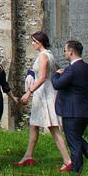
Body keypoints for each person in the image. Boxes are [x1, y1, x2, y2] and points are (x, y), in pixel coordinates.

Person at [13, 31, 70, 168]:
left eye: (34, 41)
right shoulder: (47, 55)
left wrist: (29, 92)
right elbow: (53, 71)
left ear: (40, 42)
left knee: (53, 127)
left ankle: (67, 160)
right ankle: (28, 156)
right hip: (43, 93)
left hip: (45, 94)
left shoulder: (44, 56)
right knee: (34, 126)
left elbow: (43, 77)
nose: (32, 44)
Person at [51, 40, 88, 175]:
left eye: (65, 50)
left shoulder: (72, 69)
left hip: (72, 111)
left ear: (71, 52)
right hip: (85, 110)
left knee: (74, 142)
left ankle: (77, 169)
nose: (64, 53)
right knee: (77, 139)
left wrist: (56, 74)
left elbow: (57, 84)